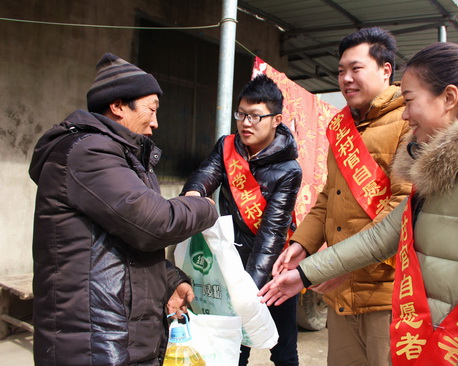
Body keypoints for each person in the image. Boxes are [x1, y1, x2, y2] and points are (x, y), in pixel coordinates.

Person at [260, 42, 458, 365]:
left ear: (449, 99)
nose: (406, 113)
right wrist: (304, 273)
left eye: (410, 101)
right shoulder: (443, 170)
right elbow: (382, 235)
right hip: (437, 340)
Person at [28, 53, 218, 366]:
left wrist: (169, 280)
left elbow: (120, 241)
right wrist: (204, 207)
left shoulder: (122, 158)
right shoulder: (89, 152)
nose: (155, 123)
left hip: (118, 338)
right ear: (118, 106)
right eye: (152, 110)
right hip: (95, 344)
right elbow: (155, 224)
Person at [272, 27, 411, 366]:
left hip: (387, 294)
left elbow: (403, 209)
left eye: (356, 68)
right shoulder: (341, 125)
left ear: (385, 70)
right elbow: (327, 197)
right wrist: (300, 245)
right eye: (340, 71)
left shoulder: (408, 121)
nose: (346, 79)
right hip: (339, 292)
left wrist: (343, 267)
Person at [181, 74, 302, 365]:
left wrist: (246, 293)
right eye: (241, 114)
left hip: (273, 269)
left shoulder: (289, 169)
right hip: (229, 264)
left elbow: (271, 235)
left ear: (276, 119)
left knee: (283, 349)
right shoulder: (227, 146)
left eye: (255, 116)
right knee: (234, 349)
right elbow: (206, 175)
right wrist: (193, 194)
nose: (246, 123)